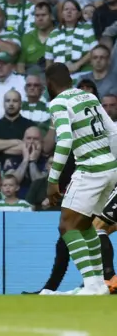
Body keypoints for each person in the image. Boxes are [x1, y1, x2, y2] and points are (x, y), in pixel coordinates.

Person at [42, 62, 117, 295]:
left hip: (90, 170)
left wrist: (52, 180)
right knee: (85, 225)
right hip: (109, 168)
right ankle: (96, 286)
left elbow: (64, 140)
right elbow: (112, 131)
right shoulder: (90, 98)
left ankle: (91, 283)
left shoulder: (58, 103)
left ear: (49, 84)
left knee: (66, 226)